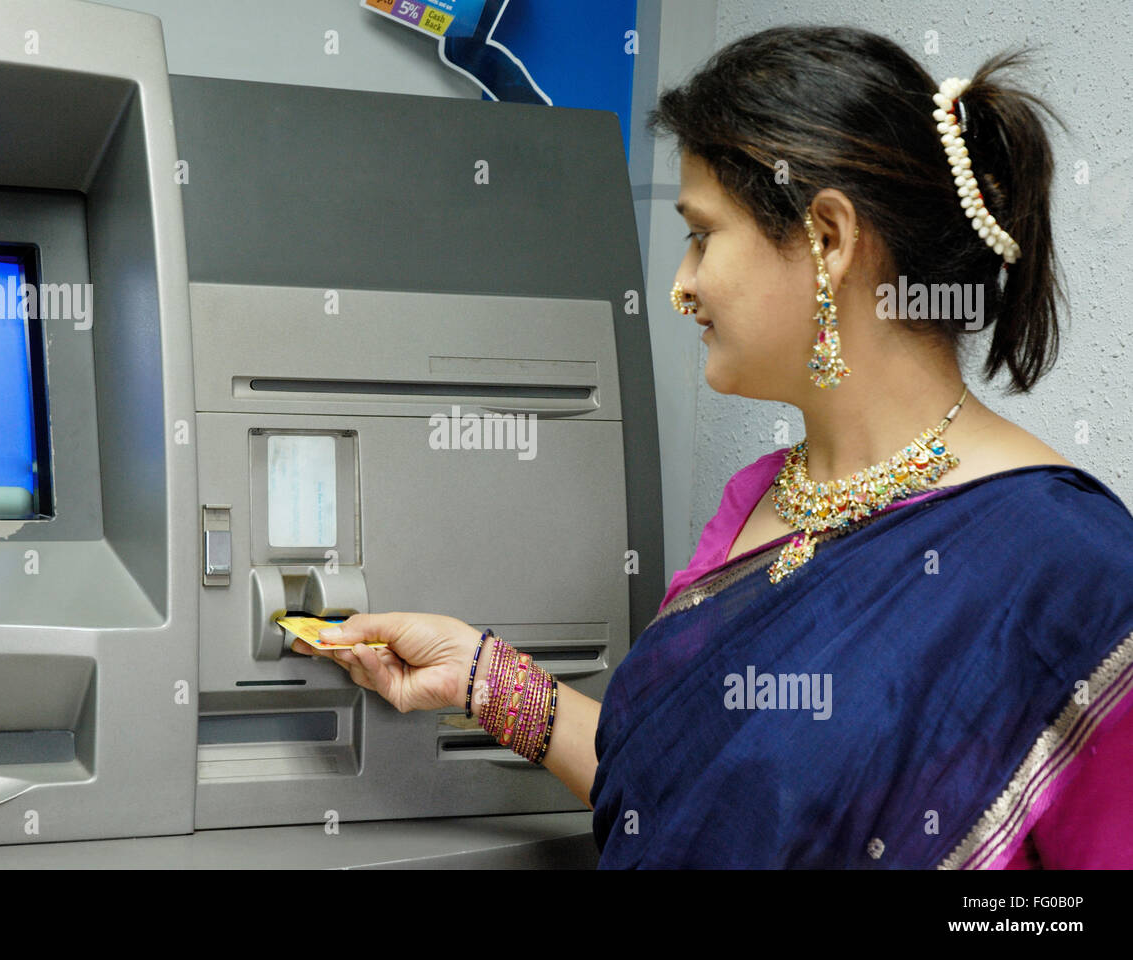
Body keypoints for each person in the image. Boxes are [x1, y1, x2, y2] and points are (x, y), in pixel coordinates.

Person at [292, 25, 1133, 868]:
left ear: (828, 240)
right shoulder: (760, 497)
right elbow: (675, 791)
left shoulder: (1072, 571)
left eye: (703, 233)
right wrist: (481, 678)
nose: (681, 282)